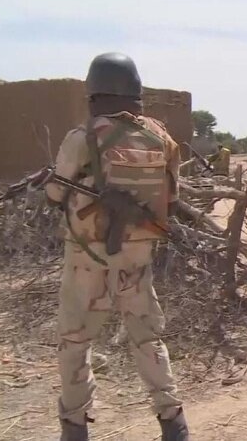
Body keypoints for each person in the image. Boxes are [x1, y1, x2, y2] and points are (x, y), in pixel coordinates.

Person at [45, 52, 190, 441]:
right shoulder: (162, 138)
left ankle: (74, 428)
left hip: (86, 262)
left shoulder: (83, 137)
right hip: (138, 260)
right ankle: (173, 422)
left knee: (75, 342)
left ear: (94, 94)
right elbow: (172, 201)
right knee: (148, 339)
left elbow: (55, 192)